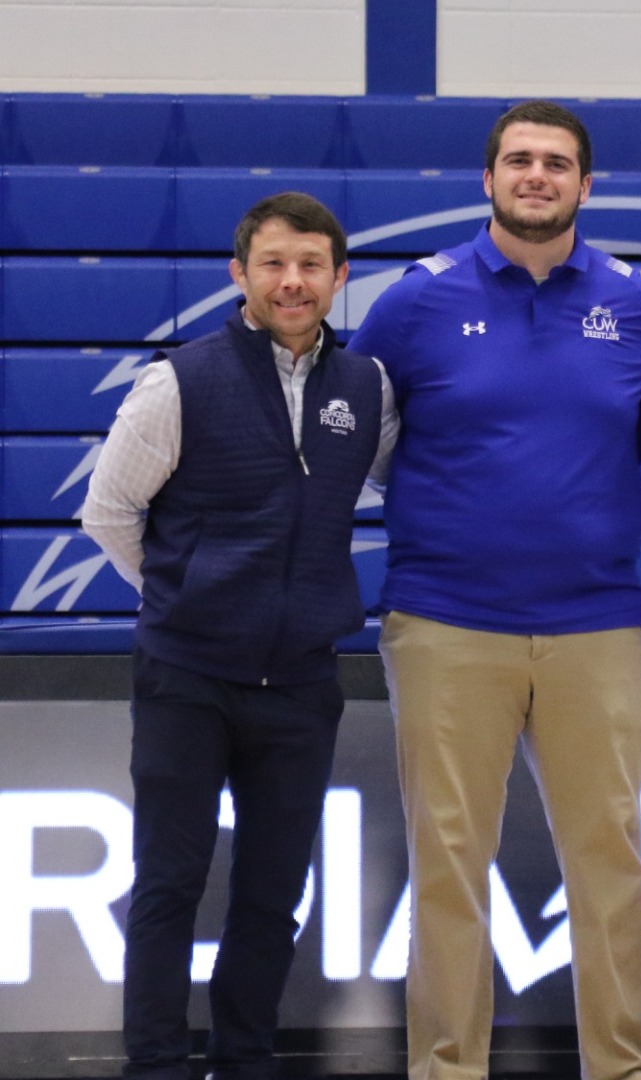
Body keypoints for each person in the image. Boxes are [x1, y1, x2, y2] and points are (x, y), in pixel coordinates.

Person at [349, 100, 641, 1080]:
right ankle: (447, 1069)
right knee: (449, 868)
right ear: (487, 178)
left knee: (613, 866)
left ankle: (622, 1067)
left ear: (587, 185)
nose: (535, 175)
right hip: (447, 625)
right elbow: (369, 448)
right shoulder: (413, 302)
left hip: (596, 626)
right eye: (517, 160)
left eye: (556, 163)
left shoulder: (639, 307)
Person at [81, 191, 397, 1080]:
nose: (291, 282)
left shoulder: (366, 387)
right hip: (189, 677)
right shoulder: (179, 380)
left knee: (271, 898)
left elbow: (409, 481)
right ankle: (154, 1064)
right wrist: (185, 595)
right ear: (240, 274)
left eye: (310, 266)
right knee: (169, 884)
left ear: (340, 277)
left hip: (300, 684)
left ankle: (246, 1060)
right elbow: (108, 514)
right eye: (273, 264)